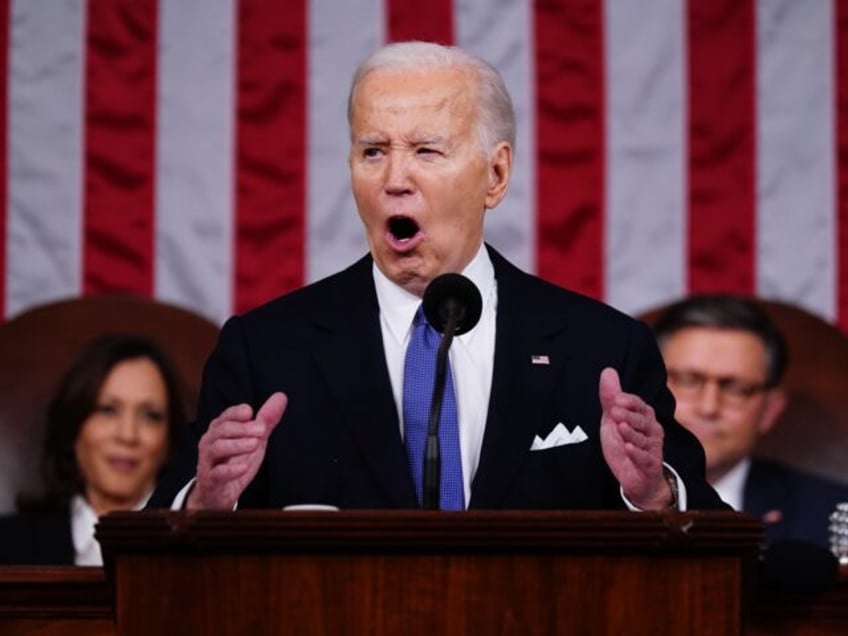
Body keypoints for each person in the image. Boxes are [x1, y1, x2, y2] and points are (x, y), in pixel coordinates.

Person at [149, 41, 725, 513]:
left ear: (495, 175)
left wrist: (652, 494)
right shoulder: (266, 350)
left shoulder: (602, 349)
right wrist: (205, 504)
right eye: (372, 151)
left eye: (426, 150)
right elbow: (161, 536)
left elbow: (710, 537)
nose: (395, 178)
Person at [653, 294, 848, 547]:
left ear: (770, 410)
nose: (709, 407)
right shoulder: (591, 498)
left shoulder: (830, 515)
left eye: (736, 388)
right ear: (649, 390)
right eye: (689, 381)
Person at [0, 334, 187, 565]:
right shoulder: (7, 545)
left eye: (150, 416)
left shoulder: (193, 554)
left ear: (169, 442)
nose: (127, 435)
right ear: (74, 428)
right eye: (108, 410)